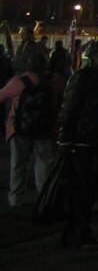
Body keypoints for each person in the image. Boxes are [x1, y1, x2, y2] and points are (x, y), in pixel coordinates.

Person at [56, 37, 98, 249]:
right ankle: (78, 233)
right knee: (81, 191)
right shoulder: (84, 77)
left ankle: (77, 231)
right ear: (94, 55)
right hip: (82, 143)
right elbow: (69, 109)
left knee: (89, 191)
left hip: (95, 142)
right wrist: (66, 141)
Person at [0, 48, 58, 207]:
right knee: (44, 165)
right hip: (45, 130)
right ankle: (44, 197)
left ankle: (16, 198)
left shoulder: (18, 82)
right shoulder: (54, 81)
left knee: (18, 165)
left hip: (20, 130)